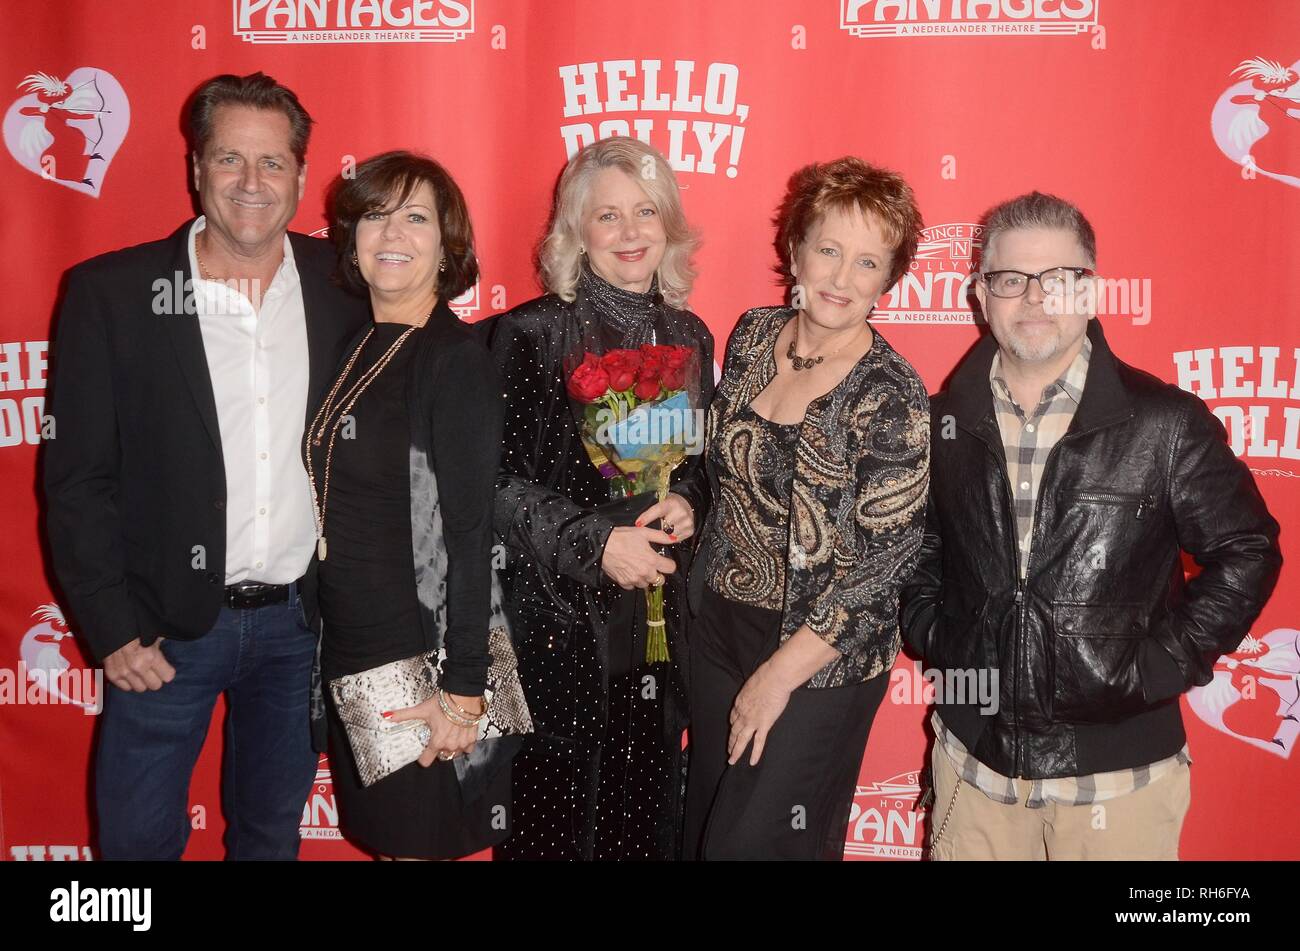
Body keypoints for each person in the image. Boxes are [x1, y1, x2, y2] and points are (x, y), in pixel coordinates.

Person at [43, 72, 369, 860]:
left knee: (269, 836)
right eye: (230, 160)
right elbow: (76, 480)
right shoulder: (111, 295)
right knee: (134, 848)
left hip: (300, 627)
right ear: (196, 169)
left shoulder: (344, 290)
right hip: (163, 631)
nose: (251, 184)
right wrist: (113, 628)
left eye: (272, 163)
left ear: (300, 174)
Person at [900, 191, 1282, 860]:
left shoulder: (1166, 423)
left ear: (1093, 292)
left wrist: (1161, 663)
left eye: (1060, 279)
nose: (1036, 299)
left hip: (1120, 785)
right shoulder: (942, 424)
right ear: (979, 295)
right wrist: (938, 630)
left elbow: (1247, 549)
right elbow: (921, 547)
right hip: (973, 768)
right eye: (1012, 279)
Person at [683, 157, 930, 860]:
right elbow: (720, 465)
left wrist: (777, 677)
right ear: (796, 249)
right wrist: (685, 499)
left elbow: (883, 570)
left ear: (887, 279)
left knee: (754, 848)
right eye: (829, 250)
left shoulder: (889, 395)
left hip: (818, 658)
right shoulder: (754, 335)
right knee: (703, 832)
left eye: (867, 262)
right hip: (719, 628)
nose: (841, 278)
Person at [482, 136, 714, 860]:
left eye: (646, 212)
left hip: (658, 633)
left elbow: (705, 466)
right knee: (550, 833)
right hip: (559, 630)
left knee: (640, 830)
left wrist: (690, 503)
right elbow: (490, 484)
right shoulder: (531, 333)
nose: (631, 232)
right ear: (576, 229)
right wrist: (597, 544)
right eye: (607, 215)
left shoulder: (690, 334)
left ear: (670, 223)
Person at [309, 150, 515, 860]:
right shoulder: (357, 341)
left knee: (416, 844)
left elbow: (470, 533)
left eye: (416, 217)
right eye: (375, 214)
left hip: (416, 652)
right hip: (349, 644)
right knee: (391, 843)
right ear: (352, 237)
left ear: (447, 245)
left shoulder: (452, 358)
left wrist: (464, 689)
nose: (392, 232)